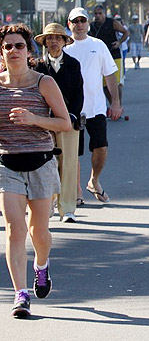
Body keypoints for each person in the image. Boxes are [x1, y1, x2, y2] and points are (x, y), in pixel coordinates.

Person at [0, 24, 71, 318]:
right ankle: (21, 294)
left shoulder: (44, 83)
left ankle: (41, 265)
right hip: (7, 165)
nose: (13, 51)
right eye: (7, 47)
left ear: (29, 51)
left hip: (41, 162)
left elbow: (65, 123)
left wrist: (33, 119)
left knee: (38, 232)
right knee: (15, 230)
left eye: (19, 46)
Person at [63, 7, 122, 204]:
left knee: (101, 147)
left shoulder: (98, 45)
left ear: (87, 23)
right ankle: (77, 190)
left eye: (83, 21)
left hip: (96, 108)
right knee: (73, 153)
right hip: (72, 110)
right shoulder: (63, 48)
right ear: (69, 24)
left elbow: (110, 75)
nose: (79, 25)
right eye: (75, 21)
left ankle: (94, 180)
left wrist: (115, 102)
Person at [35, 23, 84, 223]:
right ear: (45, 42)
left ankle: (68, 208)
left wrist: (72, 116)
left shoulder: (73, 64)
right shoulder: (37, 66)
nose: (53, 42)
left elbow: (79, 93)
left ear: (64, 42)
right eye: (49, 38)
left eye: (57, 38)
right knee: (46, 164)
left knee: (69, 163)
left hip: (68, 122)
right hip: (44, 122)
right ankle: (48, 204)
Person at [89, 6, 128, 104]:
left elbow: (125, 32)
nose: (98, 16)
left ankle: (118, 104)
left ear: (104, 14)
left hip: (114, 55)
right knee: (104, 84)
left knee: (116, 83)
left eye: (100, 13)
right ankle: (112, 104)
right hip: (99, 57)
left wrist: (119, 43)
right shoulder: (91, 26)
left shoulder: (112, 23)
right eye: (96, 14)